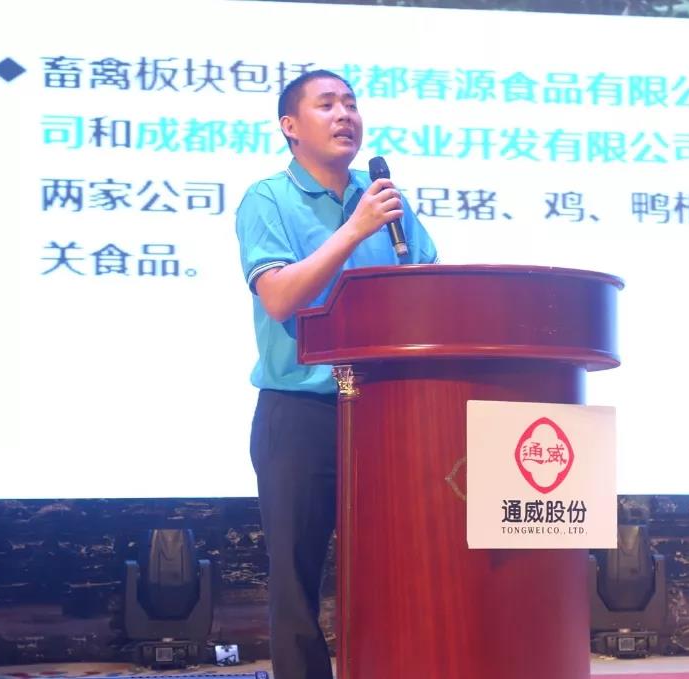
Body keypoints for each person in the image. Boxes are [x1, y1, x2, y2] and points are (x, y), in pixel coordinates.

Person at [234, 70, 437, 679]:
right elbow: (279, 297)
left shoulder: (385, 201)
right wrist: (354, 230)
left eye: (351, 103)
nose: (345, 114)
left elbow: (430, 288)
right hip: (300, 414)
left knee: (394, 565)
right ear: (290, 126)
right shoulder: (268, 199)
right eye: (327, 105)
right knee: (296, 579)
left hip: (384, 412)